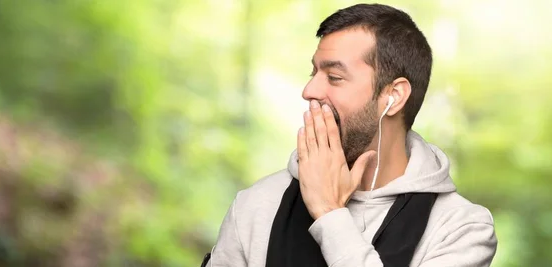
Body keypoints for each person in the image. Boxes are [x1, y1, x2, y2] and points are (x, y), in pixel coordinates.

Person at [203, 3, 497, 267]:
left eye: (334, 77)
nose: (310, 91)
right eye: (313, 74)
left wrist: (329, 213)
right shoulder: (257, 205)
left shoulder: (459, 229)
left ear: (393, 97)